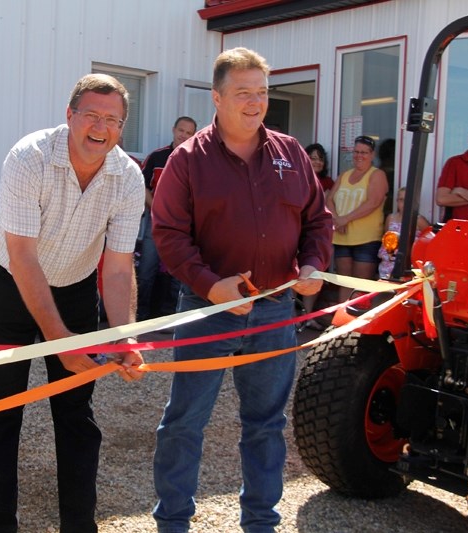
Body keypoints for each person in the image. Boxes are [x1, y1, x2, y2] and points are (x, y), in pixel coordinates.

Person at [151, 47, 333, 533]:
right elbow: (168, 234)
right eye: (242, 93)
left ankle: (260, 522)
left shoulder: (292, 153)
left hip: (275, 311)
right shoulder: (187, 161)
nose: (255, 103)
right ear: (216, 97)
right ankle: (172, 522)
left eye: (262, 92)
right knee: (185, 423)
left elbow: (318, 221)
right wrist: (210, 286)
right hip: (208, 312)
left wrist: (314, 262)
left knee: (266, 424)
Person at [0, 73, 145, 533]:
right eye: (91, 114)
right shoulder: (29, 157)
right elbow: (23, 255)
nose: (100, 126)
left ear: (121, 128)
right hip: (9, 281)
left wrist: (122, 335)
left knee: (75, 413)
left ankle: (79, 524)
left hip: (73, 284)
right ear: (69, 116)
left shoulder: (129, 177)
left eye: (112, 119)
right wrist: (58, 339)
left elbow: (116, 266)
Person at [136, 116, 197, 321]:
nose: (184, 135)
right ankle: (140, 316)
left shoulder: (197, 161)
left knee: (178, 275)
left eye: (189, 133)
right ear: (173, 130)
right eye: (181, 130)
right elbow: (141, 185)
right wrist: (158, 210)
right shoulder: (156, 157)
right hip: (156, 223)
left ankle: (171, 317)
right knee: (146, 270)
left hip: (183, 227)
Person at [326, 135, 388, 302]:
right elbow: (329, 199)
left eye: (364, 152)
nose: (359, 155)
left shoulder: (377, 175)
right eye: (356, 152)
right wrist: (336, 218)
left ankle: (359, 324)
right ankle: (341, 322)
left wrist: (345, 219)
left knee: (361, 285)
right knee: (344, 282)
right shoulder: (344, 175)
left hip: (366, 239)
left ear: (372, 155)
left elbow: (373, 202)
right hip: (341, 237)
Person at [302, 142, 333, 329]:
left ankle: (307, 316)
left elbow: (325, 208)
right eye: (312, 158)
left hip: (314, 233)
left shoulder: (328, 183)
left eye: (320, 158)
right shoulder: (296, 177)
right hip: (296, 231)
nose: (316, 162)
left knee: (312, 274)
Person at [377, 186, 431, 279]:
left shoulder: (418, 220)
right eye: (401, 200)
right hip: (388, 263)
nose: (405, 203)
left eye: (408, 199)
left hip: (408, 264)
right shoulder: (391, 218)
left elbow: (430, 239)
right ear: (397, 202)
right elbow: (386, 238)